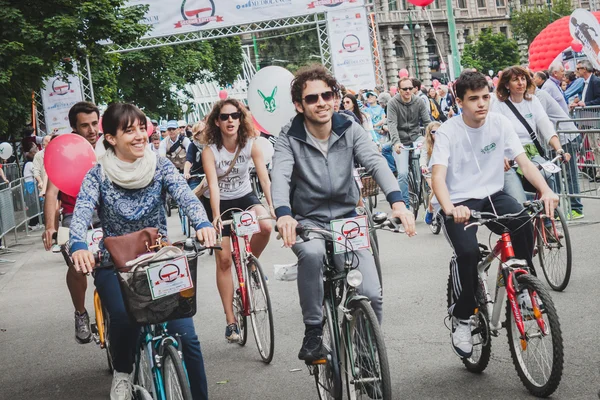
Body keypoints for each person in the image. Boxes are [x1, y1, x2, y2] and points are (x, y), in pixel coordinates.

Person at [69, 103, 215, 400]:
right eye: (129, 131)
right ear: (110, 138)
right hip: (116, 264)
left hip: (158, 259)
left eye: (141, 129)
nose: (139, 136)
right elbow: (82, 212)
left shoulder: (159, 166)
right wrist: (80, 246)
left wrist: (202, 223)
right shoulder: (97, 175)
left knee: (187, 336)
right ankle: (122, 372)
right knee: (124, 317)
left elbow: (185, 196)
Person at [271, 65, 416, 362]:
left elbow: (376, 163)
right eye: (312, 98)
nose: (322, 102)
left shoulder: (349, 128)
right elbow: (281, 177)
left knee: (371, 294)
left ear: (335, 98)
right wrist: (284, 214)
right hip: (306, 220)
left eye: (327, 95)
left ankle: (364, 354)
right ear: (299, 105)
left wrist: (398, 202)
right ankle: (313, 330)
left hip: (347, 218)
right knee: (311, 255)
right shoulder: (289, 136)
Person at [430, 70, 558, 358]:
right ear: (460, 101)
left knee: (522, 220)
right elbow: (438, 177)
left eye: (486, 97)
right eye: (473, 99)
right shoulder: (448, 131)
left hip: (493, 195)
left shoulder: (500, 123)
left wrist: (546, 190)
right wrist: (450, 209)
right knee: (468, 254)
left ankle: (523, 286)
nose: (481, 104)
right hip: (459, 201)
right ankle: (462, 317)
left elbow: (524, 163)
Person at [200, 99, 273, 342]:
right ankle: (231, 321)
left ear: (241, 119)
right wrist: (216, 217)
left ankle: (252, 263)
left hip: (244, 196)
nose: (230, 120)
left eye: (234, 115)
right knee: (223, 260)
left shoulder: (251, 144)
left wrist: (272, 206)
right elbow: (213, 185)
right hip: (218, 201)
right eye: (224, 117)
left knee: (265, 225)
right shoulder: (210, 150)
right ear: (217, 122)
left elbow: (264, 179)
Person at [42, 101, 100, 345]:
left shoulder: (110, 146)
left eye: (95, 123)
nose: (92, 130)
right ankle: (80, 313)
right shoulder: (66, 152)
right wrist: (50, 227)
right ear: (74, 128)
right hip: (72, 216)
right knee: (77, 265)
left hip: (107, 213)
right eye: (84, 126)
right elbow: (52, 193)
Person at [490, 66, 568, 204]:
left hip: (532, 153)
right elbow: (494, 135)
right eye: (515, 80)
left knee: (548, 177)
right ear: (507, 85)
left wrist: (559, 149)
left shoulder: (533, 101)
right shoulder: (498, 105)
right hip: (510, 158)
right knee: (518, 200)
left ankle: (548, 221)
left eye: (523, 79)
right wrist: (500, 156)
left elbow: (547, 128)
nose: (521, 83)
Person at [535, 87, 584, 219]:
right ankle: (557, 210)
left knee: (570, 175)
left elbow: (539, 118)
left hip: (565, 138)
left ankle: (576, 208)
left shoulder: (540, 96)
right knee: (555, 176)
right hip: (553, 141)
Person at [387, 77, 432, 207]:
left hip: (416, 136)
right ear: (399, 90)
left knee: (426, 162)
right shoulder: (392, 103)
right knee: (402, 173)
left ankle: (427, 189)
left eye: (410, 88)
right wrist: (395, 142)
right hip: (400, 140)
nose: (408, 91)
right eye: (404, 89)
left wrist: (432, 136)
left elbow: (427, 121)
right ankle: (405, 205)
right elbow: (392, 124)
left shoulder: (419, 101)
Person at [419, 121, 441, 224]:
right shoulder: (427, 144)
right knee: (435, 188)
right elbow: (423, 156)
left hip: (442, 170)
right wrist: (423, 165)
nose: (436, 134)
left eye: (439, 131)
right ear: (429, 133)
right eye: (433, 132)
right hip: (429, 171)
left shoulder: (445, 142)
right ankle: (430, 211)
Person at [183, 121, 206, 190]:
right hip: (197, 177)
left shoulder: (211, 145)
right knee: (193, 195)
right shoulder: (192, 145)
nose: (203, 133)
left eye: (205, 131)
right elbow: (189, 160)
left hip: (210, 177)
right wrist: (186, 172)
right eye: (200, 132)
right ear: (196, 135)